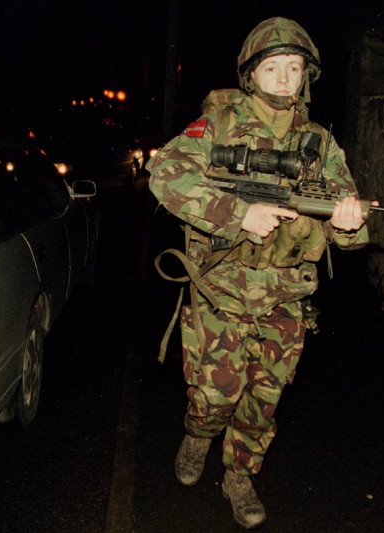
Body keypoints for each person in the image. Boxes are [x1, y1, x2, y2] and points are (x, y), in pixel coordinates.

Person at [146, 17, 370, 529]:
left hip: (284, 299)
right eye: (273, 67)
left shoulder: (320, 145)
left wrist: (350, 223)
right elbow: (164, 172)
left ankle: (239, 476)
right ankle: (198, 436)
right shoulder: (219, 124)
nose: (285, 79)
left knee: (262, 401)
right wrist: (235, 213)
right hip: (221, 291)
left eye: (294, 68)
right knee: (214, 395)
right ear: (252, 75)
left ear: (306, 77)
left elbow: (347, 232)